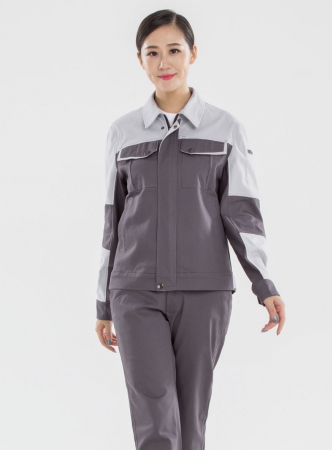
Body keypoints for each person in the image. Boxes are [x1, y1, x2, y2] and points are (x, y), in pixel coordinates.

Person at [94, 9, 286, 450]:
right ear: (139, 59)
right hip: (135, 292)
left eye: (174, 50)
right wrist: (103, 302)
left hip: (205, 294)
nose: (164, 62)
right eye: (152, 53)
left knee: (190, 418)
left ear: (193, 54)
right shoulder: (122, 132)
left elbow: (243, 215)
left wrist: (264, 284)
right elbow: (112, 220)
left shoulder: (227, 128)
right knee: (155, 419)